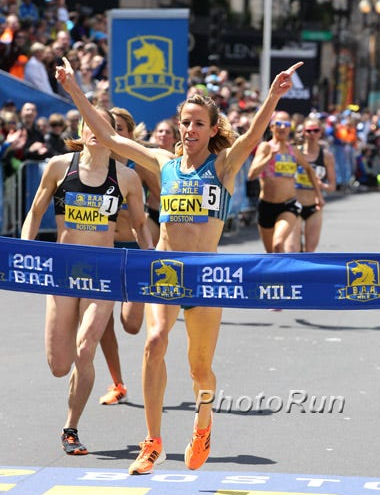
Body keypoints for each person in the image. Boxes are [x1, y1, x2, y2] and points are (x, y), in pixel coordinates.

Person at [56, 56, 303, 473]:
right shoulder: (162, 164)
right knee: (154, 343)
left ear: (212, 129)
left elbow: (254, 134)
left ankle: (203, 426)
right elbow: (111, 140)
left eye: (198, 124)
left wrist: (273, 97)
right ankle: (152, 442)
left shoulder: (222, 166)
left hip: (204, 277)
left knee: (200, 369)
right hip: (166, 271)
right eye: (185, 122)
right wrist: (74, 90)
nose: (189, 130)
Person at [20, 107, 153, 455]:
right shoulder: (60, 166)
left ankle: (71, 427)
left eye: (104, 126)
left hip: (102, 273)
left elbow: (140, 226)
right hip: (62, 273)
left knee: (85, 349)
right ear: (81, 128)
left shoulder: (125, 177)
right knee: (59, 365)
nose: (95, 130)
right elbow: (35, 212)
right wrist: (22, 252)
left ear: (114, 134)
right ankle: (71, 413)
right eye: (89, 124)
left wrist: (151, 259)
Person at [98, 106, 161, 405]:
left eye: (119, 128)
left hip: (135, 250)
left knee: (131, 325)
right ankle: (118, 383)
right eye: (109, 126)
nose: (113, 133)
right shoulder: (96, 166)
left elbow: (165, 200)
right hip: (105, 252)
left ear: (129, 134)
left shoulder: (139, 167)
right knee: (101, 323)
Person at [248, 110, 324, 253]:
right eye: (279, 124)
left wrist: (318, 195)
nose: (282, 127)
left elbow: (309, 169)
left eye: (286, 124)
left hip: (288, 205)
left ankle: (285, 275)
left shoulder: (293, 151)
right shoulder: (265, 147)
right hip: (266, 205)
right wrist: (268, 158)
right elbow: (252, 174)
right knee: (270, 253)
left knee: (278, 244)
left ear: (290, 127)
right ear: (272, 127)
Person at [286, 116, 336, 252]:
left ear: (321, 132)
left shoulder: (326, 156)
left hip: (314, 206)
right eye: (309, 131)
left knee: (310, 251)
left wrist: (321, 185)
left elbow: (332, 187)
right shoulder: (295, 152)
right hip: (294, 204)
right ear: (303, 132)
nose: (312, 134)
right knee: (291, 249)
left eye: (315, 130)